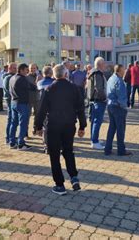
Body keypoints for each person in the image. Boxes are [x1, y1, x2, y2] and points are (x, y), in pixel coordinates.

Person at [35, 64, 87, 195]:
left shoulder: (49, 89)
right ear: (66, 74)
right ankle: (74, 177)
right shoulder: (74, 89)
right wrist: (82, 126)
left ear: (54, 75)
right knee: (68, 151)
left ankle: (60, 185)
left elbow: (41, 110)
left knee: (54, 155)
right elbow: (81, 108)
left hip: (53, 126)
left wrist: (38, 126)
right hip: (69, 125)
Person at [105, 64, 132, 156]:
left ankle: (107, 149)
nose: (125, 71)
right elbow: (121, 98)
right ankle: (121, 150)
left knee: (112, 128)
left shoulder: (111, 79)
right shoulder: (119, 81)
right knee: (120, 130)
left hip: (110, 106)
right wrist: (124, 108)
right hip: (118, 107)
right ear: (119, 71)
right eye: (123, 69)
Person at [9, 63, 34, 150]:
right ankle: (21, 144)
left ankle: (12, 142)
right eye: (26, 70)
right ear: (21, 70)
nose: (27, 72)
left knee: (13, 123)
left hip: (13, 102)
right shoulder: (22, 79)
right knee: (23, 124)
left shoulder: (12, 77)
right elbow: (32, 87)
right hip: (22, 103)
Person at [87, 57, 107, 149]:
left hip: (93, 100)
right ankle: (95, 141)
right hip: (98, 101)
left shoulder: (92, 72)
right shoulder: (97, 74)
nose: (105, 65)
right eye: (104, 64)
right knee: (97, 122)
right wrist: (104, 98)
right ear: (99, 65)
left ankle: (93, 139)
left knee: (94, 121)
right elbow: (98, 88)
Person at [36, 66, 55, 153]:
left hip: (40, 106)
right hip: (52, 107)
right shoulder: (53, 82)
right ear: (51, 73)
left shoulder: (39, 83)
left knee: (45, 127)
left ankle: (46, 146)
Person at [3, 63, 17, 145]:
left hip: (11, 100)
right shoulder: (8, 77)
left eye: (16, 68)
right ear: (10, 68)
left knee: (12, 119)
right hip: (10, 100)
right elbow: (9, 90)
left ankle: (11, 136)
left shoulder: (10, 76)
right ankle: (8, 137)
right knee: (11, 119)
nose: (16, 70)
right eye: (14, 68)